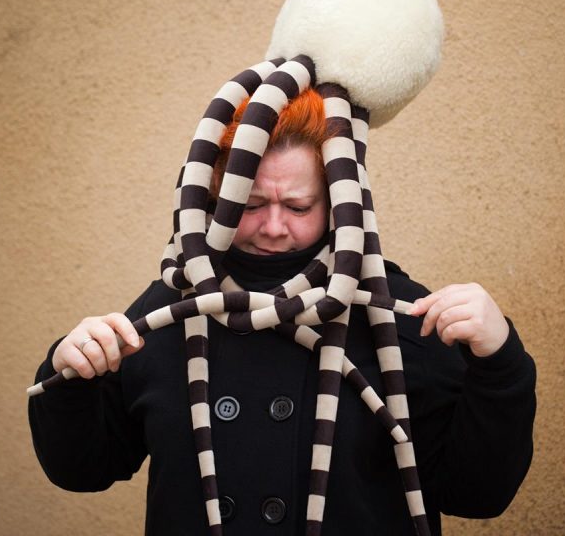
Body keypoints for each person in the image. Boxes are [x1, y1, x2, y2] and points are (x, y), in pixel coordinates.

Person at [29, 87, 536, 536]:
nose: (273, 227)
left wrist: (500, 363)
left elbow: (476, 495)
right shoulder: (172, 307)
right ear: (215, 198)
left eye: (297, 207)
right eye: (249, 205)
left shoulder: (393, 315)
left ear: (339, 204)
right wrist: (70, 374)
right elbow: (83, 470)